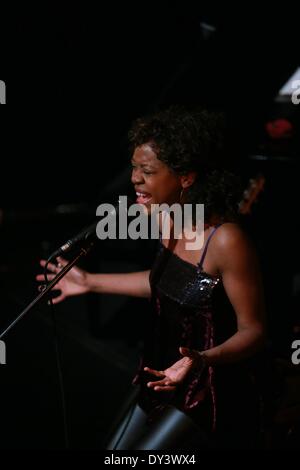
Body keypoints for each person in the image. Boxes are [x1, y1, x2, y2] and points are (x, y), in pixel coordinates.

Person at [36, 106, 266, 449]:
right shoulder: (167, 221)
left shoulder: (226, 240)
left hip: (208, 387)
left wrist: (202, 358)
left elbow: (255, 331)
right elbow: (166, 284)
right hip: (158, 375)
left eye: (147, 171)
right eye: (133, 167)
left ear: (185, 177)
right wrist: (89, 282)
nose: (134, 179)